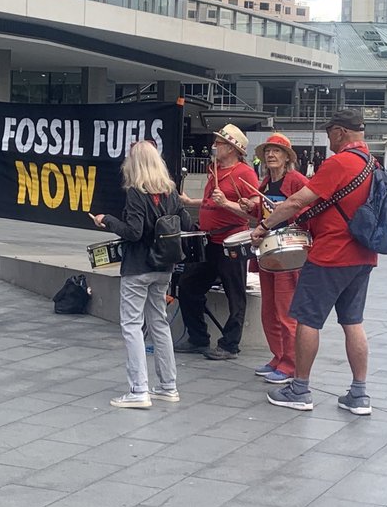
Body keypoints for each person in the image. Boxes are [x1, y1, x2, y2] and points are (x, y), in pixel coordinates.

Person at [254, 109, 378, 416]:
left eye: (329, 135)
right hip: (363, 254)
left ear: (339, 132)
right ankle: (359, 394)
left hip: (331, 253)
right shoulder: (373, 165)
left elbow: (297, 201)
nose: (329, 141)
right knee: (353, 322)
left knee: (307, 319)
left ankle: (300, 389)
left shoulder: (340, 162)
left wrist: (264, 227)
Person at [91, 141, 188, 409]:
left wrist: (107, 220)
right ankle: (168, 386)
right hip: (163, 267)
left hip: (137, 267)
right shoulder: (170, 192)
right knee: (159, 323)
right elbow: (187, 223)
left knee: (132, 326)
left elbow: (133, 231)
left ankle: (138, 390)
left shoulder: (136, 193)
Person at [176, 123, 259, 360]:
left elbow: (253, 213)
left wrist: (226, 204)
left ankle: (230, 345)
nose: (214, 147)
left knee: (235, 294)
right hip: (210, 240)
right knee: (189, 285)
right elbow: (211, 202)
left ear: (232, 148)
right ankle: (198, 338)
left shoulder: (245, 173)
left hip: (231, 240)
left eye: (219, 143)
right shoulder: (214, 170)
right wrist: (191, 201)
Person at [240, 134, 310, 386]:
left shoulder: (297, 181)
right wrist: (249, 206)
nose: (271, 155)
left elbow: (307, 211)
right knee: (269, 309)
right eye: (268, 151)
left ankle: (290, 364)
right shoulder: (265, 183)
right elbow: (259, 216)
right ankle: (278, 356)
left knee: (285, 310)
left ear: (287, 157)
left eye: (276, 151)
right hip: (268, 251)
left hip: (289, 253)